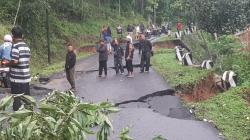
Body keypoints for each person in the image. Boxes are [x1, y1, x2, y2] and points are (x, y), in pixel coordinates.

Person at [9, 26, 31, 111]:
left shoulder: (15, 47)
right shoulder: (26, 47)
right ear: (22, 36)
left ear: (13, 36)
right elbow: (28, 61)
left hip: (16, 80)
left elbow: (14, 61)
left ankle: (17, 119)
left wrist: (7, 64)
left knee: (17, 100)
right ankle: (29, 116)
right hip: (26, 79)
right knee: (27, 99)